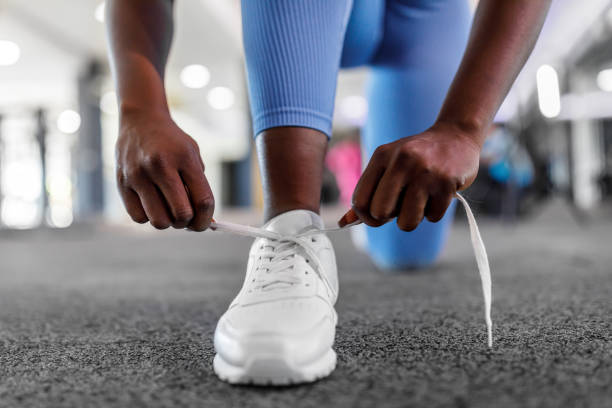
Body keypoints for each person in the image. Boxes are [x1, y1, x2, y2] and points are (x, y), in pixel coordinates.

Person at [106, 0, 550, 385]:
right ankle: (292, 229)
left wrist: (463, 127)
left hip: (427, 15)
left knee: (408, 249)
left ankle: (367, 211)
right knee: (319, 222)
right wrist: (138, 108)